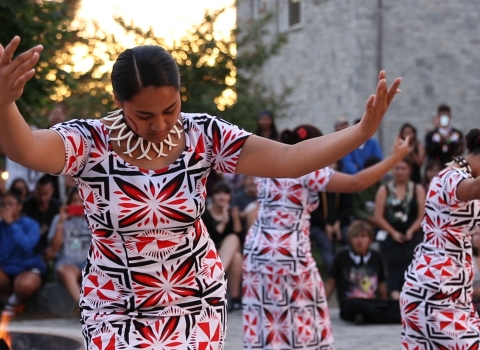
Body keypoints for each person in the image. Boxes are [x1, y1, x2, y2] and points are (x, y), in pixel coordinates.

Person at [0, 36, 401, 349]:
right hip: (115, 302)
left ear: (180, 96)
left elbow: (291, 159)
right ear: (119, 102)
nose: (159, 124)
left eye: (169, 109)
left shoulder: (203, 134)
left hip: (193, 299)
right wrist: (4, 104)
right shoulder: (89, 141)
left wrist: (362, 131)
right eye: (144, 115)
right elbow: (27, 149)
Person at [243, 125, 409, 349]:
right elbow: (356, 182)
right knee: (308, 326)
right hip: (289, 253)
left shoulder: (269, 164)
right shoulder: (306, 166)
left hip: (256, 251)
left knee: (267, 325)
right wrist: (395, 157)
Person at [400, 128, 480, 349]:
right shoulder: (452, 178)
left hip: (451, 289)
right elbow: (474, 190)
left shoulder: (454, 176)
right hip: (436, 291)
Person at [324, 220, 401, 325]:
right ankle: (382, 317)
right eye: (355, 236)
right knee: (355, 306)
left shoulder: (376, 256)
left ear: (370, 239)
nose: (359, 240)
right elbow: (331, 283)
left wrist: (385, 304)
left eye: (363, 236)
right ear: (350, 239)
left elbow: (381, 285)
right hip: (351, 302)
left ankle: (367, 317)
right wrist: (321, 308)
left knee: (398, 305)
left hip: (372, 302)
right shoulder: (341, 256)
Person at [373, 157, 425, 299]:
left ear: (409, 171)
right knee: (393, 265)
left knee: (413, 262)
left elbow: (422, 215)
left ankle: (414, 294)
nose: (400, 172)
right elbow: (378, 216)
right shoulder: (384, 189)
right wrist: (393, 232)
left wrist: (411, 230)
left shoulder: (417, 189)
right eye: (397, 168)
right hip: (391, 233)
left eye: (403, 168)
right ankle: (394, 293)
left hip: (411, 232)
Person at [0, 190, 46, 315]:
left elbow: (27, 247)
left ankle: (12, 302)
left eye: (10, 204)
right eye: (3, 205)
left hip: (28, 267)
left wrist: (11, 225)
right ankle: (5, 298)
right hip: (5, 267)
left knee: (25, 285)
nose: (5, 208)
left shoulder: (31, 224)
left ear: (19, 206)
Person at [201, 182, 243, 312]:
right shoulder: (205, 213)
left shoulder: (232, 213)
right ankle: (218, 282)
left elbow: (239, 236)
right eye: (218, 193)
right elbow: (211, 237)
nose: (222, 197)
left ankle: (233, 299)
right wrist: (224, 222)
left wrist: (235, 219)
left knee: (236, 254)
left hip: (226, 256)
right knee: (235, 253)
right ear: (213, 196)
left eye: (225, 193)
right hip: (209, 251)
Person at [45, 187, 91, 305]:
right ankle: (83, 307)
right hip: (67, 262)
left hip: (91, 262)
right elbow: (54, 248)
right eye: (74, 201)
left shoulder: (95, 218)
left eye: (81, 200)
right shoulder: (59, 219)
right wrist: (61, 222)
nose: (78, 204)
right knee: (67, 274)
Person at [310, 159, 353, 271]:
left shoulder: (342, 183)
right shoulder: (315, 185)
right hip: (318, 225)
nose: (330, 167)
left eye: (333, 163)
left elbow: (347, 207)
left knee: (352, 237)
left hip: (340, 224)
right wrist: (325, 225)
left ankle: (352, 268)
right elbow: (313, 210)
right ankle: (336, 273)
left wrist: (338, 224)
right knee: (325, 241)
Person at [22, 174, 60, 255]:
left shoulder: (58, 207)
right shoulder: (25, 206)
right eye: (39, 194)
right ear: (35, 191)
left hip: (52, 247)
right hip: (31, 247)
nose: (42, 198)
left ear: (52, 191)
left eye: (46, 194)